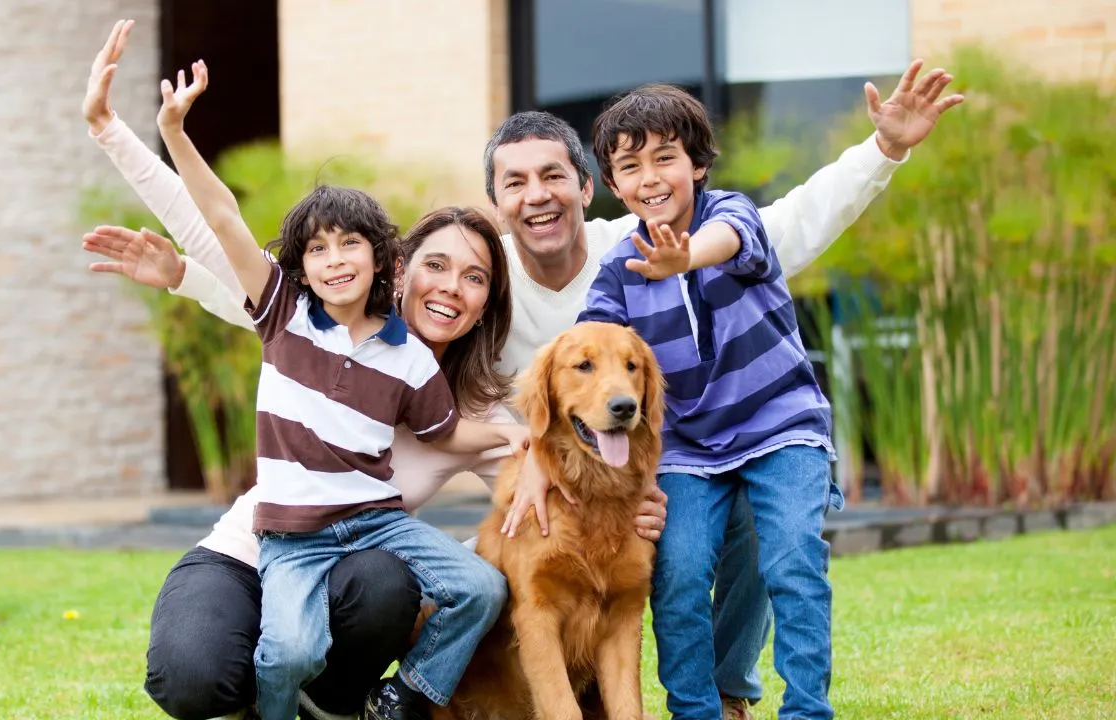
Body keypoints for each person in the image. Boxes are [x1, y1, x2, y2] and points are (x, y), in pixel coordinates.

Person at [80, 19, 962, 720]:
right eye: (512, 186)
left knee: (706, 502)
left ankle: (723, 694)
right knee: (199, 678)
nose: (453, 285)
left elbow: (784, 228)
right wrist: (118, 135)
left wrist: (882, 151)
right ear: (408, 262)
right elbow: (217, 245)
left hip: (363, 556)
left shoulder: (624, 260)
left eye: (553, 177)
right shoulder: (340, 320)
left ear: (586, 187)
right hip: (259, 545)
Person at [151, 56, 533, 720]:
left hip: (373, 529)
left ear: (381, 258)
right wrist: (176, 134)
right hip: (285, 538)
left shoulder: (409, 358)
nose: (335, 261)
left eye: (473, 277)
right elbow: (220, 217)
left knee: (480, 587)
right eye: (318, 251)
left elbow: (448, 431)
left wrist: (520, 438)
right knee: (283, 652)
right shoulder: (285, 315)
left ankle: (405, 696)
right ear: (406, 270)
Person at [575, 83, 840, 719]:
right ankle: (695, 711)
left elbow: (725, 238)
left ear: (697, 163)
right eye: (630, 166)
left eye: (665, 158)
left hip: (782, 424)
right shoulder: (616, 270)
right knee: (680, 576)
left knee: (793, 560)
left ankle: (807, 711)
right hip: (689, 446)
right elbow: (593, 350)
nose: (650, 177)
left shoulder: (731, 215)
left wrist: (684, 256)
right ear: (614, 182)